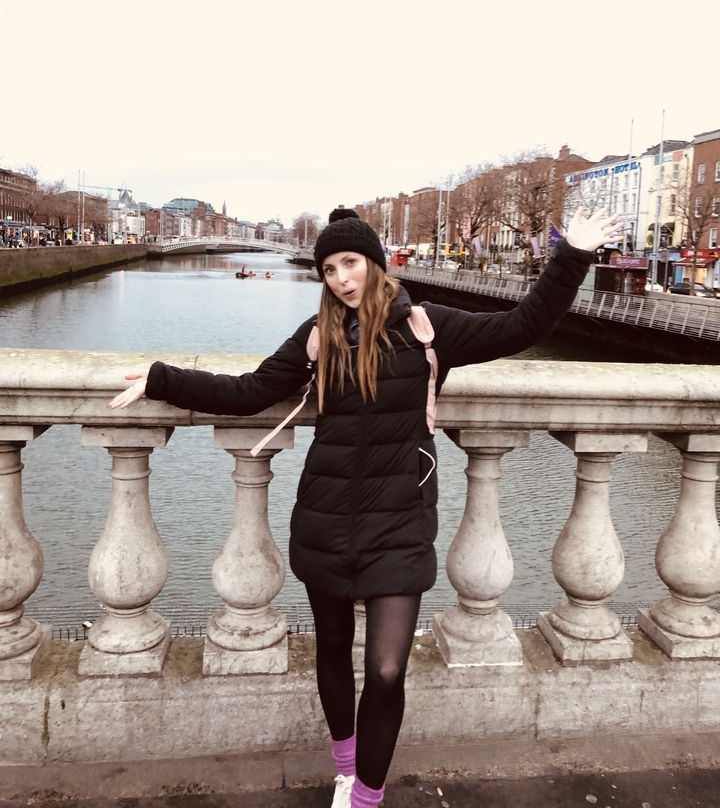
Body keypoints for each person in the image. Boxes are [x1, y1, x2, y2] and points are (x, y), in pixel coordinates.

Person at [109, 205, 621, 808]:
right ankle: (345, 767)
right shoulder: (318, 336)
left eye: (350, 262)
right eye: (329, 268)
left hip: (400, 523)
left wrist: (572, 256)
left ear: (375, 263)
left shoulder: (430, 328)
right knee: (331, 648)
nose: (340, 279)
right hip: (325, 519)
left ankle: (364, 799)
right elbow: (248, 393)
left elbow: (523, 326)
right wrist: (163, 378)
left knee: (383, 670)